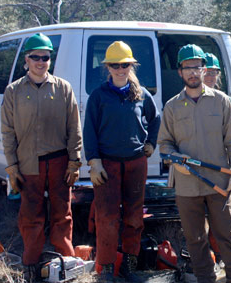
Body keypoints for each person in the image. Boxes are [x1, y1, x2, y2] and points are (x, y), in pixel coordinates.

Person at [158, 44, 231, 283]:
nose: (193, 72)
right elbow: (164, 144)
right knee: (195, 238)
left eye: (197, 67)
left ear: (204, 69)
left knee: (227, 235)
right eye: (187, 68)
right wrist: (174, 160)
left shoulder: (222, 101)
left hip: (218, 183)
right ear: (180, 72)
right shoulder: (172, 106)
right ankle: (205, 278)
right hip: (186, 186)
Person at [1, 33, 82, 283]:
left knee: (62, 215)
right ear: (26, 59)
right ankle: (31, 265)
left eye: (45, 57)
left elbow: (74, 127)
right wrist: (12, 168)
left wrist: (74, 161)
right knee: (31, 216)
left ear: (50, 59)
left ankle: (66, 263)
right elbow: (7, 131)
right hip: (28, 164)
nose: (40, 61)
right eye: (35, 57)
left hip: (59, 162)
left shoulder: (63, 88)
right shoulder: (14, 91)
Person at [83, 41, 161, 282]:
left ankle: (130, 265)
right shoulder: (98, 96)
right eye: (115, 65)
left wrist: (151, 143)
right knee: (106, 218)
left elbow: (155, 118)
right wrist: (94, 162)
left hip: (136, 163)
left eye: (125, 64)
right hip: (107, 165)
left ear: (131, 66)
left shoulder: (140, 93)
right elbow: (89, 131)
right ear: (108, 67)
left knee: (134, 217)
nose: (120, 69)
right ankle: (105, 270)